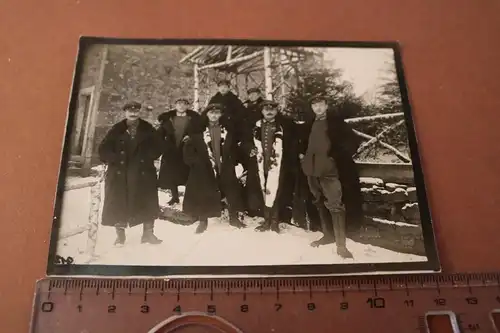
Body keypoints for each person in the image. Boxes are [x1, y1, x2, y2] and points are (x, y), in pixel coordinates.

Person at [298, 94, 363, 259]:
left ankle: (341, 246)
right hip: (311, 170)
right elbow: (302, 142)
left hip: (330, 170)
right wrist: (301, 155)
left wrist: (335, 157)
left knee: (335, 205)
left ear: (326, 105)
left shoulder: (337, 123)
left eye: (320, 104)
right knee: (318, 201)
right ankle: (328, 235)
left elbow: (353, 142)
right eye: (314, 105)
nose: (317, 108)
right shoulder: (309, 124)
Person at [98, 101, 163, 246]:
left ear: (139, 112)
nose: (133, 113)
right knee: (119, 202)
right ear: (125, 113)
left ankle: (148, 234)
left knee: (147, 201)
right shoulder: (116, 129)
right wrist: (114, 159)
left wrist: (147, 157)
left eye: (136, 111)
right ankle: (120, 236)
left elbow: (158, 146)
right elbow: (103, 149)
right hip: (120, 173)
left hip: (143, 172)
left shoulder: (148, 129)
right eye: (129, 111)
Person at [182, 103, 247, 234]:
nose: (214, 116)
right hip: (204, 167)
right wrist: (196, 163)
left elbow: (234, 148)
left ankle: (233, 218)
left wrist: (233, 160)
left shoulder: (228, 130)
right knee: (203, 193)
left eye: (217, 113)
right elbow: (188, 151)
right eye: (211, 113)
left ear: (221, 115)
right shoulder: (197, 130)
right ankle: (203, 221)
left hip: (225, 166)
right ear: (206, 114)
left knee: (230, 190)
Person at [245, 100, 295, 233]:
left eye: (272, 109)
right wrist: (250, 148)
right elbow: (246, 142)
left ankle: (275, 222)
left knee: (276, 190)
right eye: (266, 109)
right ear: (262, 112)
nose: (269, 112)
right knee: (263, 189)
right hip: (259, 163)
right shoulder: (255, 126)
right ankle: (266, 221)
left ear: (276, 111)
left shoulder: (283, 126)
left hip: (279, 164)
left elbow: (291, 145)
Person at [157, 98, 202, 205]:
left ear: (187, 106)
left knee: (188, 174)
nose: (181, 106)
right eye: (179, 104)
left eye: (184, 104)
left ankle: (190, 198)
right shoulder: (168, 119)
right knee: (172, 174)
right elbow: (159, 134)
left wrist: (191, 137)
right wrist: (163, 145)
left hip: (187, 150)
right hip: (171, 150)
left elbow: (199, 133)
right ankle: (175, 197)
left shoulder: (194, 119)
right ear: (175, 105)